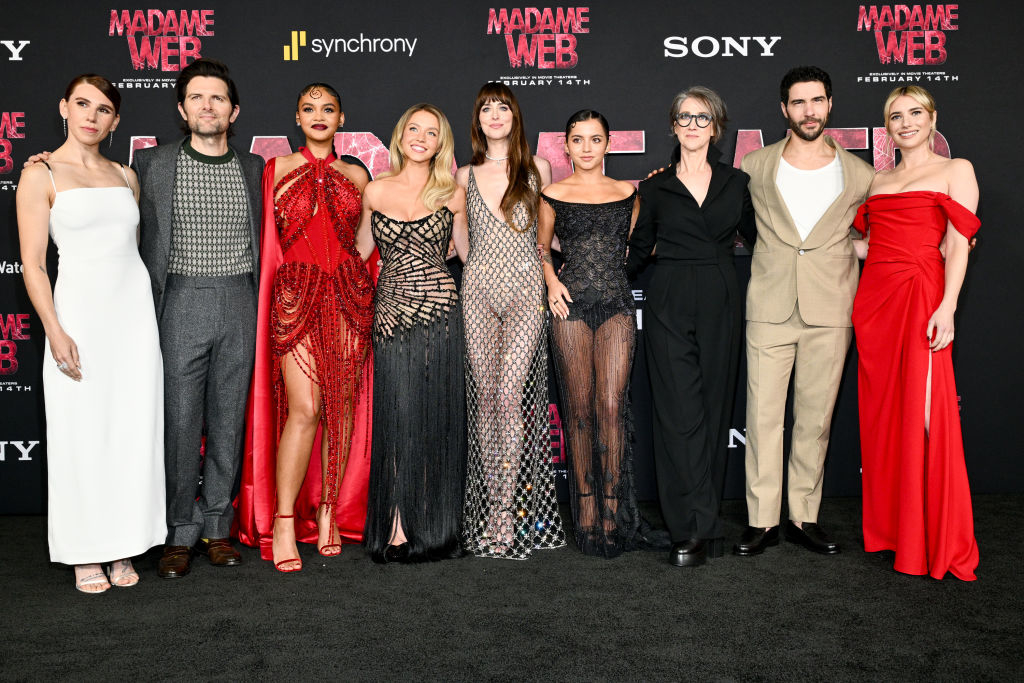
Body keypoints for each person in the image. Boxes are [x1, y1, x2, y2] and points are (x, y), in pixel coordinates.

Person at [17, 74, 165, 593]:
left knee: (130, 430)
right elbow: (34, 265)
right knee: (80, 432)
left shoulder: (127, 176)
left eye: (103, 109)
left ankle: (124, 545)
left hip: (132, 317)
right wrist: (55, 330)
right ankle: (85, 551)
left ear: (115, 120)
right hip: (77, 315)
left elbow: (132, 252)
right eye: (82, 104)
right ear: (64, 107)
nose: (91, 116)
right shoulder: (40, 175)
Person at [734, 66, 875, 557]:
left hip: (831, 307)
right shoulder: (754, 164)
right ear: (784, 110)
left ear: (830, 105)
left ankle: (803, 515)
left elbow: (874, 234)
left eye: (816, 101)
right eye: (798, 103)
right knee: (764, 415)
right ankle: (760, 518)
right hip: (769, 304)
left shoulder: (860, 173)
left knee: (814, 420)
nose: (808, 111)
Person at [132, 59, 265, 578]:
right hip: (180, 300)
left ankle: (217, 528)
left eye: (217, 99)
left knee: (229, 421)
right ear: (183, 109)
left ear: (234, 112)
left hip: (240, 301)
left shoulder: (254, 169)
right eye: (196, 98)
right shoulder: (151, 165)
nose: (207, 106)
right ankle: (177, 532)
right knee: (181, 420)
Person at [237, 83, 375, 572]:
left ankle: (329, 509)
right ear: (296, 116)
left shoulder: (357, 174)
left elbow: (364, 243)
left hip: (347, 298)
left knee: (339, 408)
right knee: (305, 407)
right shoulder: (273, 169)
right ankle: (283, 520)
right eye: (310, 109)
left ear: (343, 117)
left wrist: (349, 283)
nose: (319, 116)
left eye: (329, 109)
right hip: (294, 293)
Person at [852, 86, 980, 580]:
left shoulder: (956, 170)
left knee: (928, 416)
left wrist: (947, 306)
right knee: (886, 420)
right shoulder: (878, 181)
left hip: (924, 296)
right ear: (887, 127)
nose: (905, 123)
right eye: (895, 116)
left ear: (932, 119)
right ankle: (895, 533)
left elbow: (958, 242)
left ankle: (937, 540)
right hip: (876, 305)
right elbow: (868, 250)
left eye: (915, 114)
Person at [626, 88, 756, 567]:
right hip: (669, 298)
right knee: (677, 415)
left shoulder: (737, 182)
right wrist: (586, 271)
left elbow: (765, 242)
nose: (694, 125)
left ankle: (707, 523)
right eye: (686, 117)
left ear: (717, 127)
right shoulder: (656, 187)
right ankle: (686, 530)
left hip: (721, 296)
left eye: (704, 118)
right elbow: (639, 251)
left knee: (715, 411)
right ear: (673, 125)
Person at [355, 103, 469, 563]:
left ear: (442, 144)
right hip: (390, 318)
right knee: (397, 417)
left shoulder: (452, 194)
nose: (421, 137)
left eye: (432, 132)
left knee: (434, 419)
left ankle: (433, 525)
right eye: (414, 129)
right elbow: (359, 252)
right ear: (401, 135)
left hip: (441, 315)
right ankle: (397, 523)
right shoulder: (375, 191)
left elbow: (466, 254)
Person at [456, 82, 565, 559]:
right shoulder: (463, 175)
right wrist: (476, 274)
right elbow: (461, 240)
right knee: (484, 396)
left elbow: (553, 231)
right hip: (478, 291)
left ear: (514, 116)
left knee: (508, 395)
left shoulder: (538, 168)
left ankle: (502, 509)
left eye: (503, 107)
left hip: (525, 291)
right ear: (477, 120)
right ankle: (491, 506)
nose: (495, 115)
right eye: (486, 109)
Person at [538, 109, 643, 558]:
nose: (586, 147)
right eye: (577, 139)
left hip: (617, 305)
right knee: (578, 408)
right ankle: (584, 508)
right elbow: (541, 247)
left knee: (611, 406)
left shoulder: (628, 193)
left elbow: (639, 247)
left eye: (594, 139)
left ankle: (611, 508)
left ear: (607, 144)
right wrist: (552, 281)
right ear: (566, 145)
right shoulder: (552, 193)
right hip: (571, 307)